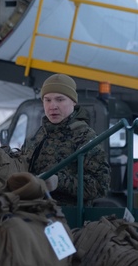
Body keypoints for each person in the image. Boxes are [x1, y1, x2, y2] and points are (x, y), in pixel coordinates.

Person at [21, 74, 110, 205]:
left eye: (60, 99)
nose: (53, 106)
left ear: (73, 101)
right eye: (47, 100)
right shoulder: (36, 136)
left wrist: (60, 182)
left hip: (69, 218)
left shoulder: (85, 137)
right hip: (34, 213)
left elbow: (100, 186)